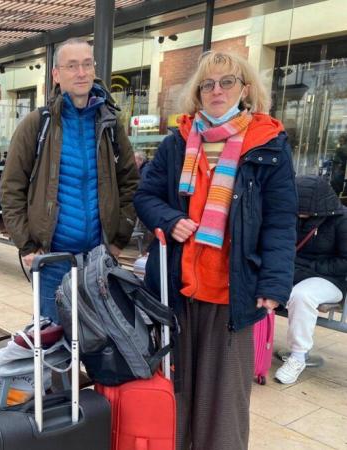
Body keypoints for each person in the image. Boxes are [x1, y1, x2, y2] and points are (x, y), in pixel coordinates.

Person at [133, 50, 297, 450]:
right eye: (208, 83)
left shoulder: (268, 144)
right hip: (179, 289)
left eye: (227, 82)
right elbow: (146, 196)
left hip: (232, 292)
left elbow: (280, 221)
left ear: (244, 89)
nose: (217, 90)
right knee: (177, 391)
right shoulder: (177, 143)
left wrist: (274, 285)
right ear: (198, 92)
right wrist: (170, 220)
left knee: (224, 400)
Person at [0, 37, 139, 322]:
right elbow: (11, 186)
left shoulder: (110, 123)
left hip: (100, 258)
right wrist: (26, 245)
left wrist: (118, 240)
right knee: (54, 343)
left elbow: (131, 183)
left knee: (100, 344)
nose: (81, 72)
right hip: (52, 259)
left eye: (87, 65)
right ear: (56, 74)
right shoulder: (37, 124)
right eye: (72, 66)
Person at [275, 175, 347, 384]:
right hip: (296, 271)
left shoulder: (342, 221)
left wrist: (307, 268)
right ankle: (255, 346)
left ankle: (298, 357)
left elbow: (344, 262)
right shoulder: (294, 216)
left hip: (329, 279)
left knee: (302, 295)